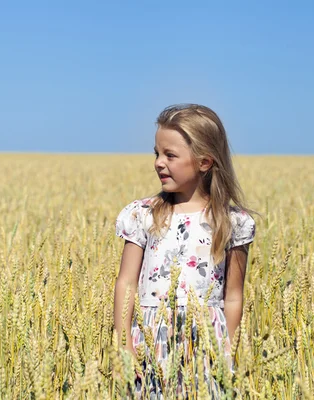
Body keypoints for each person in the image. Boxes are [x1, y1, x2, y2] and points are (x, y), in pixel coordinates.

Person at [113, 104, 257, 398]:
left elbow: (233, 295)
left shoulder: (232, 222)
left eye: (170, 155)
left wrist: (229, 349)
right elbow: (126, 282)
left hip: (207, 344)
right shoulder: (142, 215)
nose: (158, 163)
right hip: (151, 341)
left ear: (204, 162)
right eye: (156, 153)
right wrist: (124, 344)